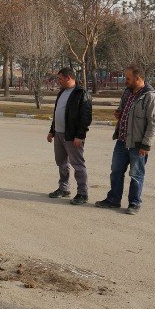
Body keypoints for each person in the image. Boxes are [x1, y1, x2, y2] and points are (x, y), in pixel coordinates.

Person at [95, 65, 155, 215]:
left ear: (138, 78)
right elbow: (123, 109)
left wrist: (146, 145)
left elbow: (153, 123)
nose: (126, 81)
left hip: (138, 144)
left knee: (136, 175)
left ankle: (134, 203)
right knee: (116, 172)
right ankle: (113, 200)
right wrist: (119, 114)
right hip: (122, 141)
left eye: (128, 78)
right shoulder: (127, 92)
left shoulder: (150, 96)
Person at [46, 67, 92, 205]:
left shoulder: (81, 93)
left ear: (68, 77)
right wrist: (52, 131)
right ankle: (64, 188)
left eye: (60, 78)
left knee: (77, 164)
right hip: (59, 134)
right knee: (61, 163)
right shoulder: (62, 92)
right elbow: (57, 113)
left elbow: (86, 117)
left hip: (73, 136)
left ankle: (82, 193)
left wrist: (80, 135)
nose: (58, 81)